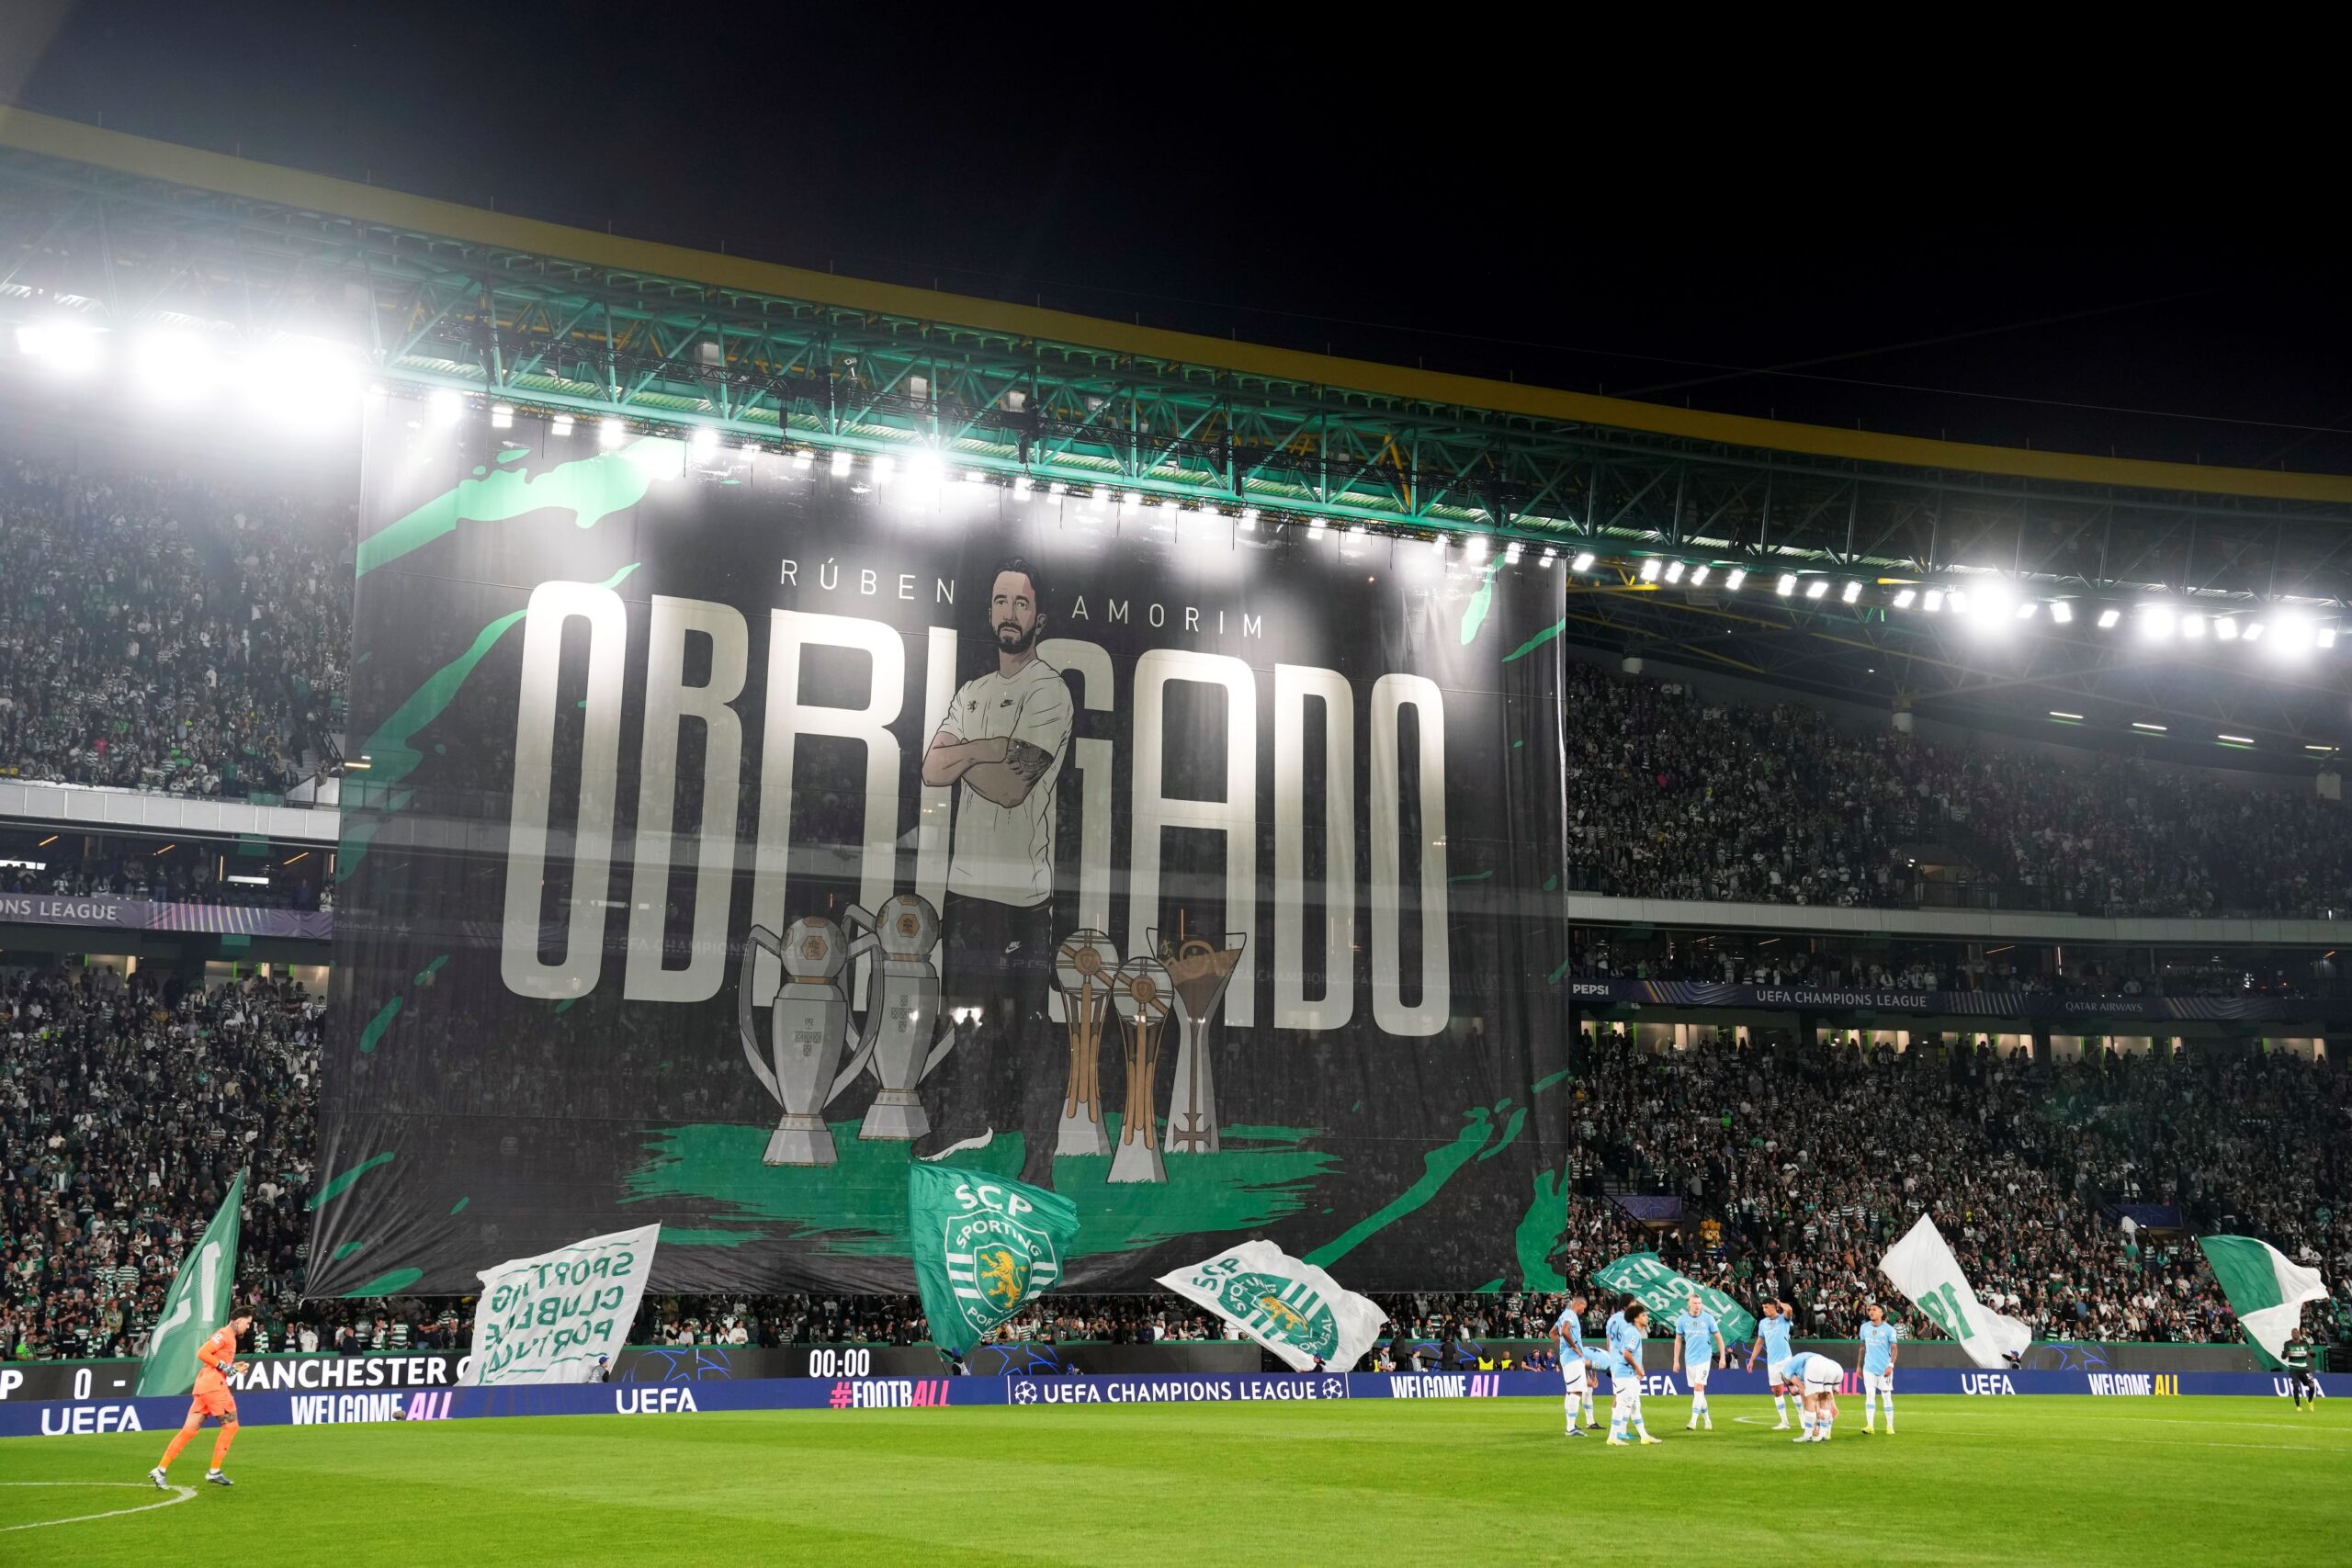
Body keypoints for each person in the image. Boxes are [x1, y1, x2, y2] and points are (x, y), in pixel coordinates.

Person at [918, 558, 1074, 1179]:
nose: (1009, 612)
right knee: (967, 1018)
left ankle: (1040, 1156)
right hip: (966, 892)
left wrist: (968, 756)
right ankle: (968, 1120)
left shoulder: (1048, 690)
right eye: (1000, 600)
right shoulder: (972, 692)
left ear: (1039, 616)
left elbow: (1013, 789)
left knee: (1029, 1034)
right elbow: (932, 768)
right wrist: (994, 750)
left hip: (1023, 898)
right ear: (990, 611)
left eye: (1021, 602)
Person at [151, 1307, 252, 1489]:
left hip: (205, 1386)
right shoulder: (224, 1334)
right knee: (231, 1426)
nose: (248, 1327)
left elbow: (218, 1364)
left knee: (189, 1430)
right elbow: (202, 1353)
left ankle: (160, 1469)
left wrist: (234, 1368)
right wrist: (226, 1367)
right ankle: (214, 1471)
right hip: (214, 1388)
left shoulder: (229, 1337)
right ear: (237, 1320)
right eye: (247, 1322)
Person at [1603, 1297, 1662, 1447]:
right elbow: (1627, 1352)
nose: (1646, 1317)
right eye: (1643, 1314)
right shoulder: (1631, 1330)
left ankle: (1644, 1436)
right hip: (1625, 1371)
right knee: (1622, 1404)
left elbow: (1610, 1342)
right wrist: (1637, 1367)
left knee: (1635, 1404)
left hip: (1621, 1368)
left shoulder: (1617, 1323)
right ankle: (1613, 1436)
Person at [1669, 1291, 1726, 1432]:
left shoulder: (1708, 1319)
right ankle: (1707, 1420)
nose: (1697, 1306)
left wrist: (1723, 1357)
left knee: (1698, 1388)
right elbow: (1678, 1341)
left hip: (1704, 1358)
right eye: (1694, 1303)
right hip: (1690, 1359)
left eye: (1699, 1303)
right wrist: (1676, 1361)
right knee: (1698, 1392)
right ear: (1689, 1304)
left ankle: (1693, 1421)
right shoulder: (1682, 1320)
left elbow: (1719, 1338)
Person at [1553, 1292, 1599, 1436]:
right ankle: (1570, 1428)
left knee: (1571, 1391)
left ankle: (1571, 1425)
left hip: (1567, 1358)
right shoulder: (1571, 1315)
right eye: (1583, 1308)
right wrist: (1573, 1347)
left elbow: (1552, 1333)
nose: (1583, 1311)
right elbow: (1565, 1331)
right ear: (1579, 1304)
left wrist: (1563, 1347)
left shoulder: (1563, 1315)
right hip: (1572, 1359)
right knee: (1576, 1391)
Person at [1747, 1299, 1796, 1430]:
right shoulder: (1763, 1323)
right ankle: (1784, 1422)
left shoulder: (1783, 1319)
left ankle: (1803, 1418)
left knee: (1793, 1389)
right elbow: (1759, 1342)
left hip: (1786, 1359)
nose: (1765, 1310)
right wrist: (1752, 1359)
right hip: (1772, 1362)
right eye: (1763, 1307)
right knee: (1776, 1390)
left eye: (1767, 1307)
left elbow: (1789, 1310)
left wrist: (1780, 1303)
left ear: (1775, 1307)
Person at [1782, 1349, 1845, 1442]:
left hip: (1815, 1365)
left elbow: (1803, 1389)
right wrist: (1833, 1405)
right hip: (1834, 1367)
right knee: (1823, 1398)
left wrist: (1816, 1413)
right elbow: (1828, 1394)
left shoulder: (1785, 1371)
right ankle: (1823, 1434)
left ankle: (1808, 1435)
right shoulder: (1800, 1365)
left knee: (1810, 1399)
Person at [1858, 1303, 1899, 1434]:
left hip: (1884, 1369)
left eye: (1874, 1310)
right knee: (1870, 1395)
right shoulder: (1864, 1328)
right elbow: (1862, 1347)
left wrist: (1890, 1366)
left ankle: (1890, 1426)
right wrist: (1859, 1366)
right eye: (1870, 1310)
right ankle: (1870, 1426)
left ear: (1881, 1313)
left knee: (1886, 1396)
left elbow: (1894, 1348)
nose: (1871, 1312)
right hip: (1869, 1367)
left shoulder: (1889, 1330)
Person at [2283, 1334, 2318, 1411]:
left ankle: (2310, 1401)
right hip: (2293, 1368)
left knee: (2312, 1386)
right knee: (2296, 1386)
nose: (2296, 1335)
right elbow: (2283, 1356)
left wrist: (2312, 1353)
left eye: (2297, 1333)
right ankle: (2298, 1406)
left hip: (2304, 1368)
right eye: (2295, 1333)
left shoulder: (2305, 1343)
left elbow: (2313, 1355)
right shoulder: (2288, 1344)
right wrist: (2286, 1354)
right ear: (2292, 1334)